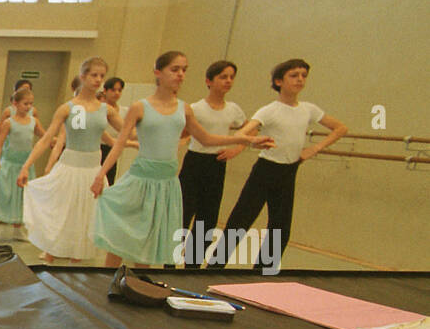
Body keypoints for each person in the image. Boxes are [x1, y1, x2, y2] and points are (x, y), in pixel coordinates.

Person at [91, 51, 271, 268]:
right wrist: (101, 174)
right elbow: (120, 142)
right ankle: (104, 284)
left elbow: (205, 138)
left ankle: (136, 286)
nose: (180, 74)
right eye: (175, 69)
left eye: (184, 70)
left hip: (166, 182)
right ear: (158, 72)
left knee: (150, 241)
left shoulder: (184, 108)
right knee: (123, 236)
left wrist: (245, 140)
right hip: (140, 178)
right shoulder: (140, 107)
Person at [221, 58, 347, 270]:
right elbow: (243, 132)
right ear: (279, 81)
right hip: (265, 170)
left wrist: (313, 149)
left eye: (303, 75)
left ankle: (262, 273)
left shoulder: (309, 109)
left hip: (288, 172)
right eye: (294, 75)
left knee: (280, 228)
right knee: (240, 221)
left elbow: (340, 128)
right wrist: (254, 141)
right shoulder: (269, 110)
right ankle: (215, 267)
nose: (300, 79)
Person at [16, 58, 123, 263]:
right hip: (70, 168)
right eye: (94, 75)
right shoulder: (70, 108)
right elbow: (47, 139)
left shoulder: (106, 110)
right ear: (83, 77)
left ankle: (75, 270)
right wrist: (26, 166)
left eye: (102, 76)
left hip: (93, 171)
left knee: (86, 221)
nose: (98, 79)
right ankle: (49, 263)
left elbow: (129, 132)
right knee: (62, 216)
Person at [176, 60, 247, 265]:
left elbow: (250, 129)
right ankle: (169, 263)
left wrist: (237, 149)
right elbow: (182, 134)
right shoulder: (196, 108)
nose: (228, 81)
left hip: (217, 165)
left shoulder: (233, 109)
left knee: (207, 218)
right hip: (194, 163)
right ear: (209, 80)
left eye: (231, 77)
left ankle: (193, 263)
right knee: (183, 213)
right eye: (223, 77)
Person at [0, 87, 44, 242]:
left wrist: (58, 141)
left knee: (21, 197)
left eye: (31, 103)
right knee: (2, 195)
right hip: (9, 164)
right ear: (15, 104)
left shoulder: (33, 122)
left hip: (25, 166)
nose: (28, 107)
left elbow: (45, 136)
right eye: (25, 103)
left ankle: (18, 230)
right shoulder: (9, 123)